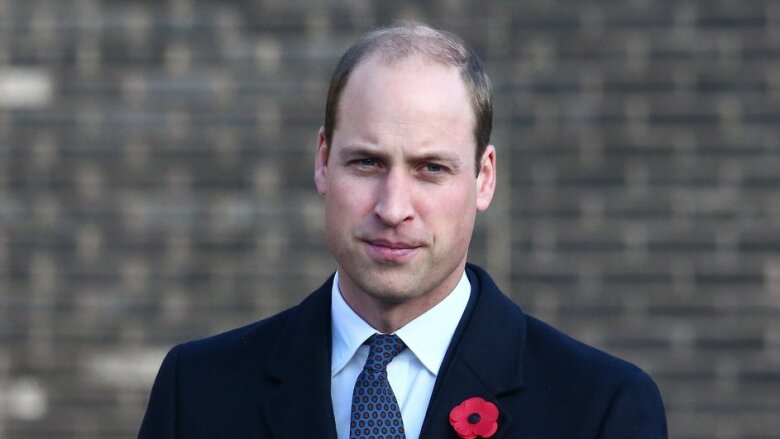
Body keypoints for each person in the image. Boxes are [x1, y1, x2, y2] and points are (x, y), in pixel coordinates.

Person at [139, 22, 667, 439]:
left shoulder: (601, 407)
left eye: (431, 168)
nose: (393, 208)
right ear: (322, 162)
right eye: (367, 163)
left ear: (484, 178)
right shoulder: (199, 391)